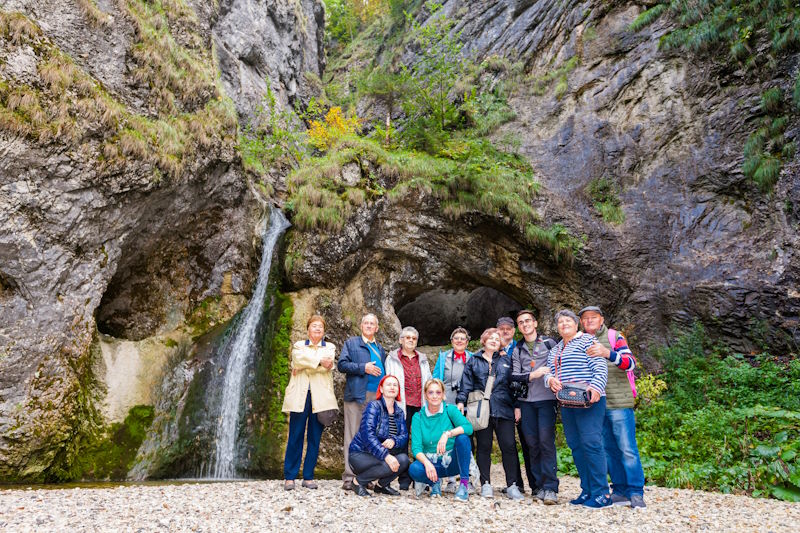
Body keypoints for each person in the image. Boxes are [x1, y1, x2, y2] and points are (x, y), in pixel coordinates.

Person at [579, 305, 646, 509]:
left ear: (601, 319)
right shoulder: (580, 340)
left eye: (593, 317)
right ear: (581, 322)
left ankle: (636, 491)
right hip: (595, 405)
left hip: (618, 402)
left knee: (627, 448)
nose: (589, 321)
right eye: (585, 318)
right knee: (608, 449)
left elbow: (630, 363)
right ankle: (619, 490)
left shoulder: (614, 336)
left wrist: (607, 353)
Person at [544, 309, 611, 509]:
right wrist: (550, 380)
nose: (564, 324)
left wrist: (596, 388)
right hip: (568, 402)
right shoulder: (556, 349)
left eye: (568, 321)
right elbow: (548, 372)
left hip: (590, 400)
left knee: (591, 443)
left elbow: (600, 367)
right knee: (576, 445)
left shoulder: (587, 341)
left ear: (576, 324)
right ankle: (587, 490)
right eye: (560, 322)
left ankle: (602, 493)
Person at [457, 328, 524, 501]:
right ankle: (485, 483)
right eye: (490, 338)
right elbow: (466, 384)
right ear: (484, 341)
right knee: (484, 446)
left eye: (497, 338)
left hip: (504, 407)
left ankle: (512, 485)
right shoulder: (474, 360)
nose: (494, 340)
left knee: (509, 446)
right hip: (482, 410)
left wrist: (517, 405)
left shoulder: (506, 360)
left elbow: (514, 385)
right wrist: (461, 401)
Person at [281, 315, 338, 491]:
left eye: (320, 326)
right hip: (300, 395)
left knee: (315, 437)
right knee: (295, 435)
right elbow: (297, 360)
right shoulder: (299, 345)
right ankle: (290, 477)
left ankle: (308, 476)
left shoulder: (330, 347)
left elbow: (327, 365)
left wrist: (305, 365)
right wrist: (318, 362)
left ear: (324, 331)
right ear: (308, 330)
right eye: (314, 326)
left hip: (320, 398)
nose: (317, 329)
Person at [511, 309, 559, 504]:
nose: (525, 324)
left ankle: (551, 488)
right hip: (526, 403)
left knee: (546, 442)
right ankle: (538, 486)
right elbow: (514, 376)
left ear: (535, 323)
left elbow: (559, 365)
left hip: (547, 399)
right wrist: (533, 375)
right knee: (532, 444)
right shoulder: (517, 348)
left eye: (528, 321)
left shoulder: (549, 343)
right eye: (521, 322)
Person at [337, 313, 386, 490]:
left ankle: (366, 477)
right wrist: (363, 368)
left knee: (371, 437)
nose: (369, 325)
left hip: (377, 397)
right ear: (361, 325)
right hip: (357, 395)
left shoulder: (380, 348)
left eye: (372, 323)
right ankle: (349, 477)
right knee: (352, 435)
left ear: (377, 328)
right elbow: (342, 365)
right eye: (366, 323)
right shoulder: (351, 343)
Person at [408, 379, 474, 502]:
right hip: (431, 465)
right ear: (425, 395)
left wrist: (447, 434)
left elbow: (468, 428)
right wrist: (427, 463)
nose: (434, 396)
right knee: (414, 469)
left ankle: (464, 485)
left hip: (452, 462)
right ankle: (434, 482)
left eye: (438, 392)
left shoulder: (450, 410)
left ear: (443, 395)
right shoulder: (418, 417)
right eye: (430, 392)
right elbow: (416, 448)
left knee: (463, 438)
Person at [384, 326, 432, 489]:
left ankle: (421, 477)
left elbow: (428, 380)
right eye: (407, 337)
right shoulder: (392, 358)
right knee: (401, 442)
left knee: (421, 440)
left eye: (414, 338)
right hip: (400, 405)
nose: (411, 340)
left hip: (420, 405)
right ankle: (403, 479)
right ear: (401, 340)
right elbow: (388, 380)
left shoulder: (422, 359)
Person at [348, 375, 411, 497]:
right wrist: (386, 455)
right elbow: (368, 435)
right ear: (381, 389)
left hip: (380, 456)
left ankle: (382, 485)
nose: (392, 387)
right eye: (388, 384)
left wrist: (394, 440)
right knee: (388, 463)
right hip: (360, 454)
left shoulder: (399, 412)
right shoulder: (374, 406)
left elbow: (404, 436)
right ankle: (358, 481)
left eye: (395, 385)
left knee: (404, 460)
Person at [432, 327, 478, 492]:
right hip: (447, 404)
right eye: (456, 338)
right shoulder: (443, 357)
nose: (459, 341)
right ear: (451, 341)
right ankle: (450, 479)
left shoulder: (473, 357)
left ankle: (468, 477)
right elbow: (435, 378)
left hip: (468, 404)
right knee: (447, 439)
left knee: (465, 438)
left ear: (467, 342)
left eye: (462, 338)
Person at [497, 315, 532, 495]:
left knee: (528, 442)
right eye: (501, 329)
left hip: (522, 401)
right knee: (508, 445)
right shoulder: (492, 349)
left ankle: (535, 484)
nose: (505, 331)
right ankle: (516, 483)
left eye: (508, 328)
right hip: (502, 403)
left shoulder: (520, 347)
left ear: (514, 330)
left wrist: (518, 404)